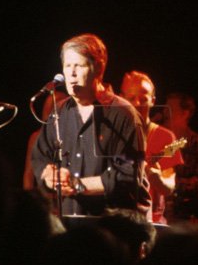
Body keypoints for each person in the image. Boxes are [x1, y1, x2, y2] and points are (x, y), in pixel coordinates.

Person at [31, 34, 150, 218]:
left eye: (79, 66)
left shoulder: (124, 114)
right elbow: (40, 158)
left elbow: (127, 176)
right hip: (70, 221)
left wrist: (76, 185)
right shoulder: (59, 112)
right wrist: (48, 176)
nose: (71, 73)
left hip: (114, 224)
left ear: (99, 69)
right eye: (67, 66)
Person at [121, 71, 185, 225]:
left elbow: (169, 187)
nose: (137, 103)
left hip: (151, 223)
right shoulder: (110, 133)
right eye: (131, 98)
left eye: (143, 99)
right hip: (116, 218)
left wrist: (157, 179)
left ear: (153, 101)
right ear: (121, 99)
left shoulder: (165, 137)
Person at [163, 92, 198, 225]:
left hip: (186, 216)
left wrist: (168, 183)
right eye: (165, 108)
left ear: (185, 114)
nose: (165, 113)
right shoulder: (161, 139)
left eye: (170, 109)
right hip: (159, 212)